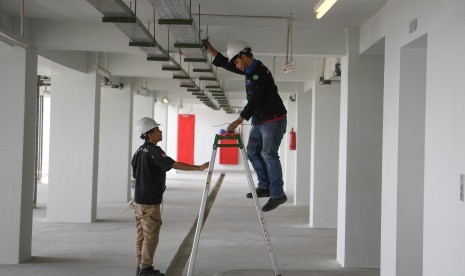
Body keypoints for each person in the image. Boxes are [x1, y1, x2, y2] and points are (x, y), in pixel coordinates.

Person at [203, 39, 288, 212]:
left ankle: (278, 194)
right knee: (252, 151)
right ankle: (264, 187)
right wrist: (211, 49)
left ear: (243, 56)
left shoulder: (260, 72)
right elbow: (227, 65)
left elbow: (255, 100)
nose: (237, 66)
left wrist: (238, 120)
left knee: (269, 154)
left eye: (237, 61)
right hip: (260, 120)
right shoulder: (249, 69)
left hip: (273, 120)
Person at [132, 117, 209, 276]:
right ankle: (145, 269)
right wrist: (198, 167)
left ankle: (140, 266)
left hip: (139, 201)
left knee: (141, 235)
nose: (160, 132)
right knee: (151, 237)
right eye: (157, 130)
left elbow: (136, 173)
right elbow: (172, 164)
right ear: (149, 134)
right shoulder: (154, 151)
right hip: (150, 202)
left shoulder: (138, 152)